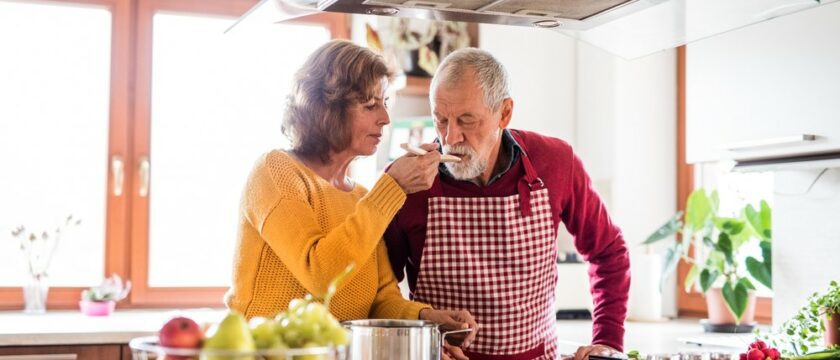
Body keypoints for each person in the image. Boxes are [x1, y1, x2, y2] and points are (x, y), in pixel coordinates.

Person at [224, 40, 477, 350]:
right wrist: (392, 189)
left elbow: (382, 298)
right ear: (326, 108)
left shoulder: (361, 197)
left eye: (385, 102)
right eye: (370, 105)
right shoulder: (275, 172)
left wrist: (428, 318)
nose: (385, 117)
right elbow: (320, 273)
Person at [385, 48, 631, 360]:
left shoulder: (556, 162)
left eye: (466, 120)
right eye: (440, 119)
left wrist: (607, 343)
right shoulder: (407, 182)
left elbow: (609, 252)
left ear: (504, 113)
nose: (450, 137)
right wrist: (418, 346)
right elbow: (382, 291)